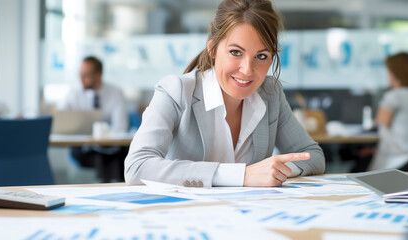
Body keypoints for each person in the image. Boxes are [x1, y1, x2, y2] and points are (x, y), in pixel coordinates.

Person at [125, 0, 325, 187]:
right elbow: (137, 167)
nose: (247, 69)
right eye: (236, 52)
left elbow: (313, 155)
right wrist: (242, 176)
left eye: (261, 56)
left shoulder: (270, 94)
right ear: (212, 49)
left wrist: (275, 172)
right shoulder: (176, 90)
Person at [59, 56, 129, 182]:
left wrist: (102, 134)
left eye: (86, 75)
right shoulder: (73, 93)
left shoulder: (115, 93)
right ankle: (112, 190)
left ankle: (107, 189)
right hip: (82, 148)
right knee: (107, 158)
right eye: (80, 75)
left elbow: (120, 126)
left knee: (111, 155)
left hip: (109, 146)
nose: (81, 79)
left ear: (98, 75)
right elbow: (60, 120)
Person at [367, 52, 408, 171]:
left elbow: (379, 125)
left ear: (396, 73)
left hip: (393, 162)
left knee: (356, 168)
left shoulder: (394, 96)